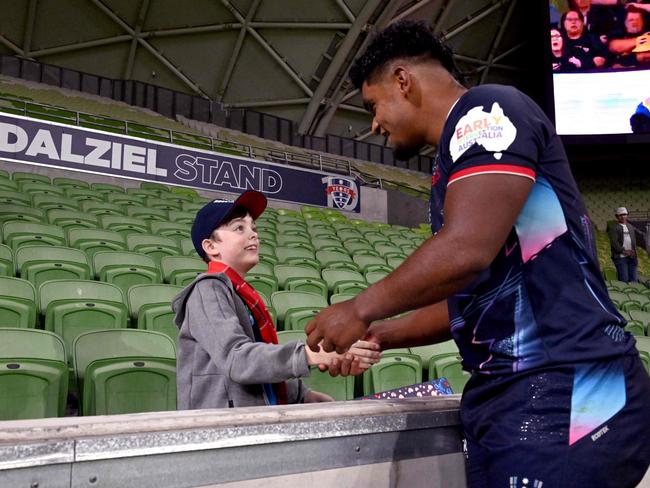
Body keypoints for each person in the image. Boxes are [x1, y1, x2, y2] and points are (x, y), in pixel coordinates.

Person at [305, 20, 650, 488]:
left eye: (373, 104)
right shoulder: (454, 162)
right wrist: (379, 335)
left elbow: (467, 250)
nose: (373, 123)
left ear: (402, 81)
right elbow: (471, 302)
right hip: (513, 398)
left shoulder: (487, 110)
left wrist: (360, 307)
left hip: (569, 389)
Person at [172, 190, 379, 409]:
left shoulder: (242, 293)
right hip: (222, 433)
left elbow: (257, 369)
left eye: (253, 227)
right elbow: (237, 360)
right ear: (211, 246)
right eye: (239, 228)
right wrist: (310, 354)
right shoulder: (208, 289)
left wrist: (302, 395)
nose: (253, 234)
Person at [608, 206, 646, 282]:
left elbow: (633, 241)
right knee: (624, 279)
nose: (623, 217)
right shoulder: (613, 228)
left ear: (627, 215)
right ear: (617, 216)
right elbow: (614, 243)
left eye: (624, 214)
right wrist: (624, 251)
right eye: (620, 215)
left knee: (634, 280)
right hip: (621, 257)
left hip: (632, 257)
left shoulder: (630, 226)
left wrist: (633, 252)